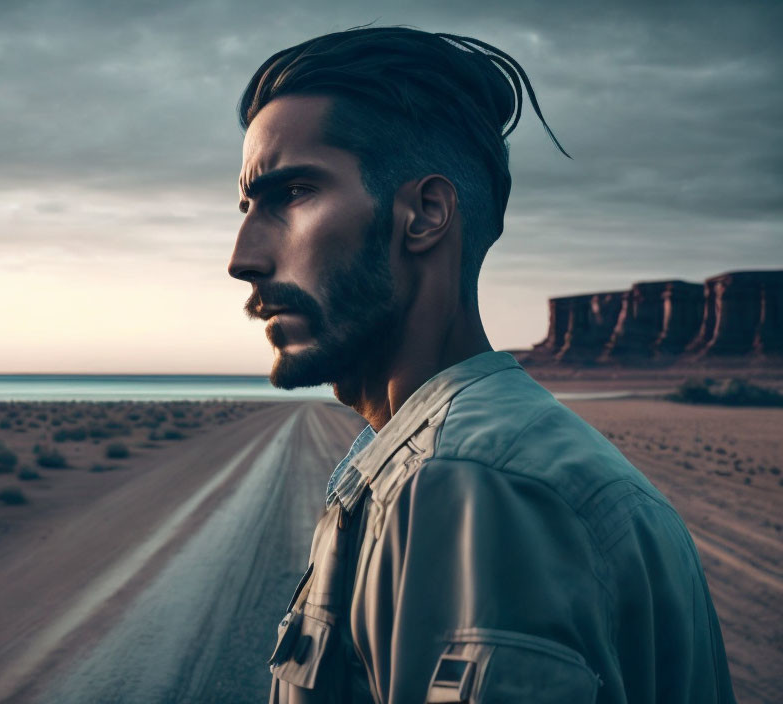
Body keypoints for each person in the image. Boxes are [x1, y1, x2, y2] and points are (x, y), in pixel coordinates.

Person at [228, 26, 736, 704]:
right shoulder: (445, 462)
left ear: (425, 214)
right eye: (246, 207)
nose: (243, 257)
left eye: (291, 194)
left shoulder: (474, 488)